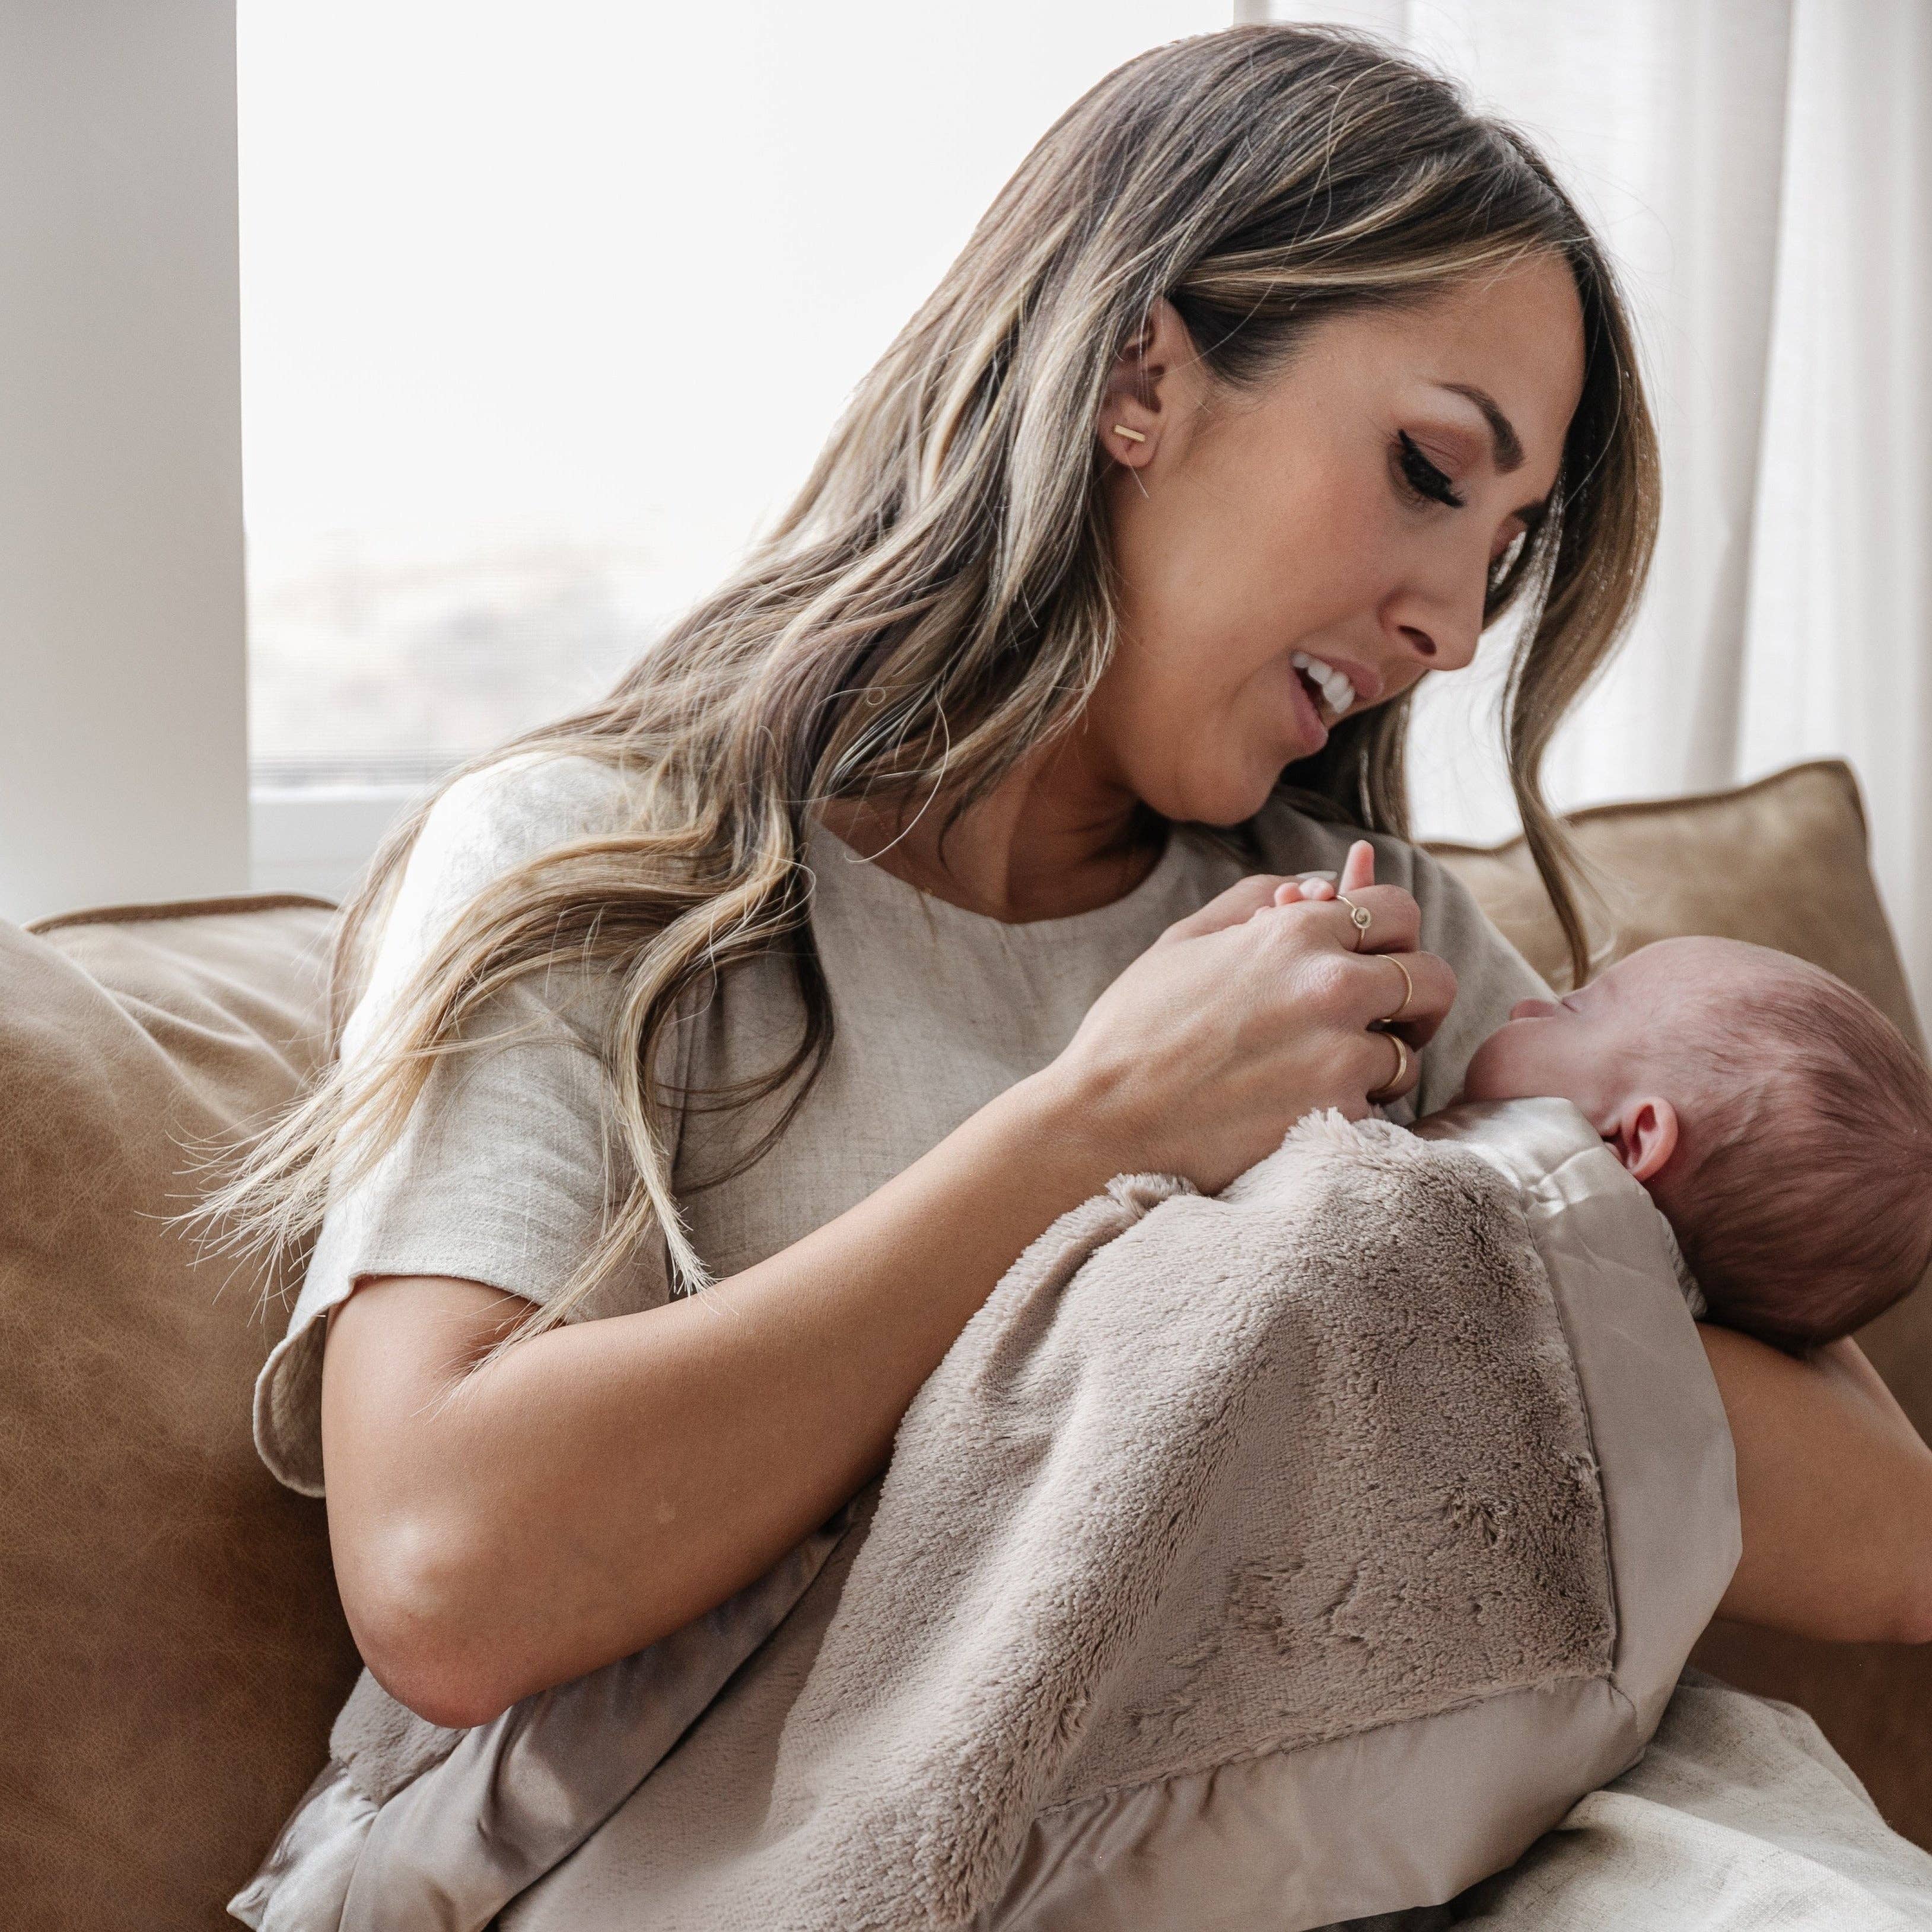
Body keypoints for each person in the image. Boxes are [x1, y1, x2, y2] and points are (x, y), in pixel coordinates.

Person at [212, 23, 1932, 1926]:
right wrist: (1093, 1129)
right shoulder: (610, 872)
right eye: (1429, 469)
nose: (1451, 624)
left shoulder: (1356, 932)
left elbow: (1885, 1518)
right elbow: (449, 1570)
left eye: (1504, 548)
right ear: (1140, 374)